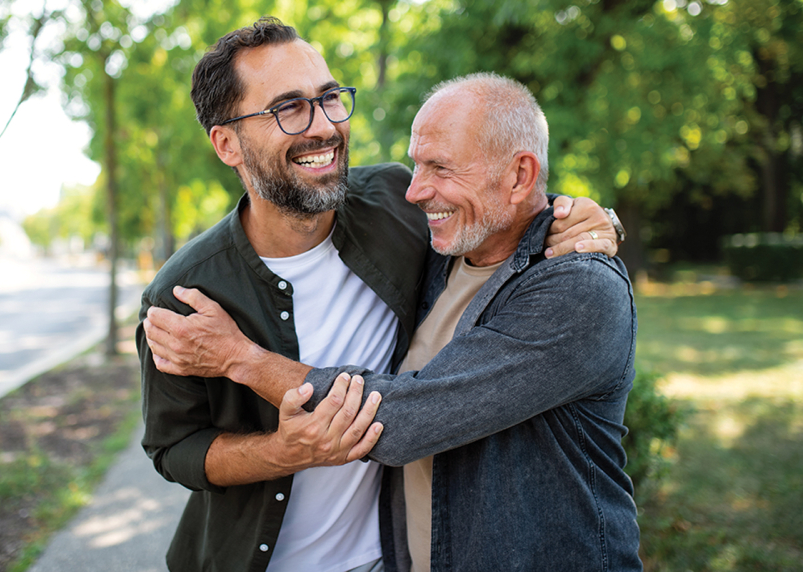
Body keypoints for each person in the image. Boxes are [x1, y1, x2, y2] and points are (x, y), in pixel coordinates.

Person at [138, 17, 622, 572]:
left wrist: (584, 215)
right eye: (288, 108)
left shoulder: (396, 203)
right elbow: (174, 450)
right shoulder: (186, 295)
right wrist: (282, 452)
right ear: (227, 143)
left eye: (328, 99)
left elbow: (494, 199)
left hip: (382, 558)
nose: (322, 126)